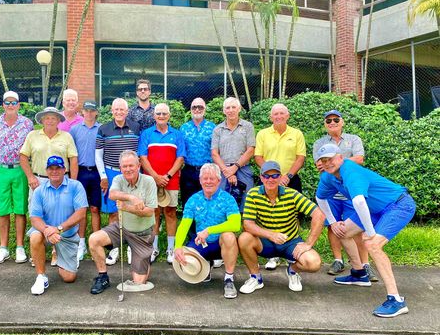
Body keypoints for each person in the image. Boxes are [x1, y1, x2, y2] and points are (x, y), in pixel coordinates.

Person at [315, 144, 416, 318]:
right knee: (342, 232)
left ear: (340, 157)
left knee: (373, 245)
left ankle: (396, 300)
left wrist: (370, 233)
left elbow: (360, 202)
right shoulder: (328, 177)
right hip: (373, 209)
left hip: (398, 205)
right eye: (324, 160)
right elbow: (320, 198)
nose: (328, 163)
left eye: (330, 159)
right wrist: (333, 222)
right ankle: (359, 274)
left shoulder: (350, 171)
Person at [238, 161, 324, 294]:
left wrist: (308, 244)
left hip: (290, 242)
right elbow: (248, 224)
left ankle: (293, 270)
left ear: (280, 177)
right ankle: (255, 277)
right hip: (265, 242)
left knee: (314, 263)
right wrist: (271, 235)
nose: (270, 179)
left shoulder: (292, 194)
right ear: (261, 178)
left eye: (274, 176)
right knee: (244, 238)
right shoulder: (253, 194)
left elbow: (319, 214)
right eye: (266, 176)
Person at [313, 110, 377, 281]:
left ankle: (365, 265)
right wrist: (342, 161)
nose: (332, 122)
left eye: (335, 119)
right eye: (328, 120)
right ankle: (338, 260)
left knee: (357, 227)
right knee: (333, 226)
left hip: (350, 191)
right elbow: (320, 165)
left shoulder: (354, 139)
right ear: (325, 124)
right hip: (331, 190)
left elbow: (360, 159)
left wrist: (337, 162)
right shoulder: (319, 142)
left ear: (342, 122)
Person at [88, 151, 157, 294]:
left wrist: (127, 207)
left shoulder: (149, 181)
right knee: (94, 239)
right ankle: (103, 276)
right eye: (124, 166)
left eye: (131, 165)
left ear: (138, 166)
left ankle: (144, 258)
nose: (128, 169)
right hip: (122, 228)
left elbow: (150, 211)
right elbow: (112, 194)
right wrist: (132, 198)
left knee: (138, 283)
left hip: (142, 235)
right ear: (120, 168)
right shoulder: (119, 179)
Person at [21, 106, 78, 266]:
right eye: (47, 117)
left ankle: (56, 251)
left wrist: (72, 182)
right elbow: (23, 157)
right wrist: (30, 177)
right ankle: (38, 251)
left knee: (60, 215)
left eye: (54, 117)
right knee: (38, 215)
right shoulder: (33, 136)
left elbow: (73, 160)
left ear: (59, 120)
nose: (50, 120)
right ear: (42, 120)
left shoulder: (66, 136)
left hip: (62, 181)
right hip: (39, 181)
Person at [174, 163, 241, 299]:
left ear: (219, 180)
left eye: (212, 178)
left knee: (229, 236)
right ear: (200, 181)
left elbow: (236, 224)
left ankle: (229, 279)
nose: (208, 181)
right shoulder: (193, 200)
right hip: (201, 242)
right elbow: (184, 225)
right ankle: (206, 267)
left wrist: (209, 230)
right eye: (205, 178)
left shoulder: (228, 199)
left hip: (221, 244)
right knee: (186, 259)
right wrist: (177, 247)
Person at [254, 103, 306, 271]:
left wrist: (287, 176)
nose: (278, 116)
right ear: (271, 117)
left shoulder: (296, 134)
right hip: (269, 180)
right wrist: (272, 176)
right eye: (275, 114)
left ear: (287, 115)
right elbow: (258, 157)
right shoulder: (263, 134)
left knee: (293, 214)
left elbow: (300, 158)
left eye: (281, 113)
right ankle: (273, 255)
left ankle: (292, 250)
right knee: (269, 214)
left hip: (290, 180)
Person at [28, 156, 88, 295]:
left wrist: (58, 229)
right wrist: (48, 231)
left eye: (58, 168)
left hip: (67, 234)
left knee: (69, 278)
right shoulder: (39, 191)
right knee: (35, 237)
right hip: (46, 232)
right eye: (51, 168)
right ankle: (41, 277)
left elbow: (81, 213)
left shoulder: (76, 186)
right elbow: (35, 218)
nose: (54, 171)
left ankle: (62, 257)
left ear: (64, 170)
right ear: (47, 171)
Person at [0, 91, 34, 265]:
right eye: (8, 102)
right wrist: (0, 159)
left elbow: (30, 147)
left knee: (20, 209)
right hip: (1, 170)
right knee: (3, 209)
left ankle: (20, 247)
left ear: (19, 105)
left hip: (20, 169)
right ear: (3, 105)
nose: (11, 105)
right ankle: (3, 248)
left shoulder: (27, 124)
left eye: (14, 103)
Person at [95, 98, 141, 265]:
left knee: (132, 210)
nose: (119, 112)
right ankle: (114, 248)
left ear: (127, 111)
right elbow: (98, 156)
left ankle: (131, 247)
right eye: (116, 109)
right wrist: (103, 177)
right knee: (113, 212)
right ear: (112, 111)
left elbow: (139, 154)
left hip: (132, 174)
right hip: (111, 173)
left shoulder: (135, 127)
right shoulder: (104, 129)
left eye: (122, 109)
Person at [138, 103, 186, 264]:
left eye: (164, 113)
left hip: (170, 180)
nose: (161, 116)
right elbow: (143, 158)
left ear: (169, 115)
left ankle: (171, 249)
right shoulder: (146, 134)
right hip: (151, 181)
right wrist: (155, 177)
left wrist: (167, 176)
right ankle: (154, 248)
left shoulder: (177, 134)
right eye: (158, 113)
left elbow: (180, 158)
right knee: (154, 213)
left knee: (171, 213)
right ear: (154, 116)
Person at [70, 100, 102, 262]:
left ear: (96, 112)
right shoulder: (74, 130)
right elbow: (71, 155)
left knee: (95, 208)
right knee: (81, 209)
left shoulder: (101, 129)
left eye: (92, 111)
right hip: (81, 172)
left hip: (96, 173)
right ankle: (81, 243)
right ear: (82, 112)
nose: (89, 113)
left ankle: (96, 242)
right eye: (86, 110)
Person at [211, 96, 255, 206]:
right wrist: (227, 171)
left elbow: (251, 149)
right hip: (223, 170)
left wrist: (235, 167)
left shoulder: (247, 126)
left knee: (246, 204)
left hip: (243, 169)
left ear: (239, 109)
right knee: (221, 204)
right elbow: (214, 153)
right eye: (228, 108)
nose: (231, 110)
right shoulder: (218, 129)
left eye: (233, 107)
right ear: (224, 110)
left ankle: (244, 223)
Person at [179, 97, 215, 208]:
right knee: (189, 204)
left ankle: (206, 226)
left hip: (207, 171)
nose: (197, 110)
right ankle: (190, 226)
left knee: (207, 204)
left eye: (200, 107)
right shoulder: (184, 128)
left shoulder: (213, 128)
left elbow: (217, 150)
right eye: (194, 107)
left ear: (205, 109)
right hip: (189, 171)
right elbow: (180, 151)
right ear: (190, 110)